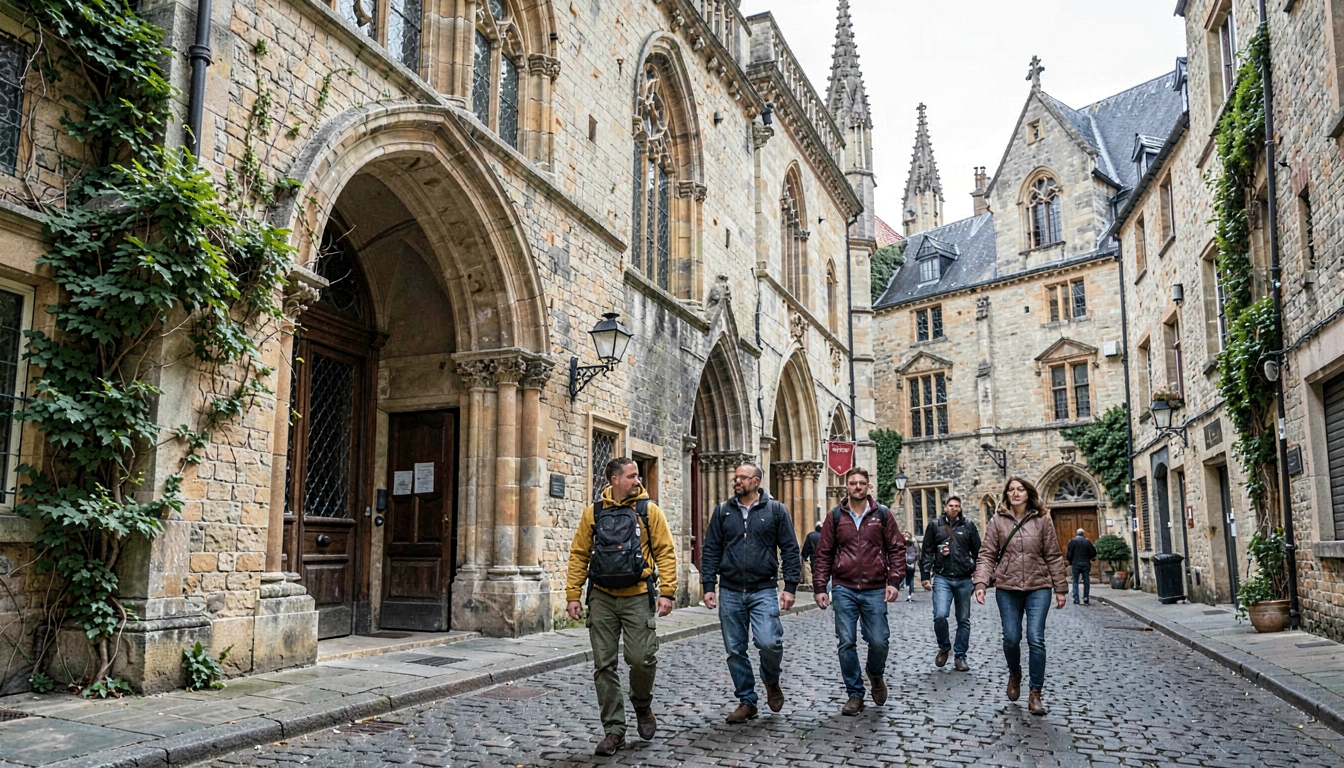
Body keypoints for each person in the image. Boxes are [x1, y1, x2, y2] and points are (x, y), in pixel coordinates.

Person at [565, 458, 678, 756]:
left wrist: (667, 591)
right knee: (604, 665)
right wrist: (573, 595)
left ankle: (642, 704)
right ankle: (614, 731)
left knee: (641, 659)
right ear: (614, 480)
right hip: (601, 597)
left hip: (638, 595)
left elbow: (665, 551)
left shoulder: (648, 511)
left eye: (637, 475)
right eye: (631, 476)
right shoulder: (593, 513)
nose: (637, 481)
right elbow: (579, 554)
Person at [701, 462, 801, 723]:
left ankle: (771, 679)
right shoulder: (722, 511)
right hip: (730, 590)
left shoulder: (776, 510)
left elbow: (790, 548)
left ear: (757, 481)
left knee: (769, 642)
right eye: (736, 477)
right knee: (735, 650)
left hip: (763, 588)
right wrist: (708, 585)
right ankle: (747, 701)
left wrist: (790, 587)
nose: (737, 481)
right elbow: (711, 548)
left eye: (743, 478)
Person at [812, 466, 905, 716]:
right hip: (844, 587)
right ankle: (855, 694)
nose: (857, 487)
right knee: (846, 642)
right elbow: (823, 553)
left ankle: (875, 673)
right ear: (847, 486)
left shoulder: (882, 514)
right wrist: (820, 587)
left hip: (875, 588)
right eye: (853, 483)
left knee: (879, 641)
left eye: (861, 483)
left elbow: (896, 548)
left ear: (868, 486)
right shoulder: (835, 516)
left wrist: (894, 581)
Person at [973, 477, 1068, 717]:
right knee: (1011, 638)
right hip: (1007, 586)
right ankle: (1015, 673)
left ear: (1028, 493)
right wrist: (981, 583)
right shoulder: (997, 521)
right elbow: (987, 554)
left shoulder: (1043, 520)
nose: (1015, 493)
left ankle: (1035, 693)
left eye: (1020, 489)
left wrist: (1060, 588)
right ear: (1006, 494)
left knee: (1036, 638)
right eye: (1011, 490)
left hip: (1039, 586)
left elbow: (1053, 555)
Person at [919, 495, 982, 672]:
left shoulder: (968, 525)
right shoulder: (935, 526)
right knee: (940, 615)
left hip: (964, 578)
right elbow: (927, 551)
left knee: (963, 619)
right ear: (945, 507)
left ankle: (960, 656)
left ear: (960, 508)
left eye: (957, 506)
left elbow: (979, 551)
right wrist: (925, 575)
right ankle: (944, 647)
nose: (954, 508)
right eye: (951, 505)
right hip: (942, 576)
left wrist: (975, 570)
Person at [1066, 529, 1097, 605]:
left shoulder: (1072, 542)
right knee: (1086, 581)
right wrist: (1089, 558)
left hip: (1075, 564)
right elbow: (1093, 553)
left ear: (1077, 534)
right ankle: (1086, 598)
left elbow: (1068, 555)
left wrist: (1071, 562)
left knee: (1075, 581)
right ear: (1083, 534)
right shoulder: (1087, 542)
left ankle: (1076, 599)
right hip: (1086, 564)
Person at [801, 522, 822, 586]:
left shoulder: (810, 536)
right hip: (826, 559)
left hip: (814, 559)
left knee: (816, 577)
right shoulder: (827, 534)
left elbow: (806, 549)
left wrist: (804, 557)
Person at [903, 532, 918, 601]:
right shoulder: (914, 541)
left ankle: (909, 593)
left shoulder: (903, 542)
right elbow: (917, 552)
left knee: (907, 578)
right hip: (912, 562)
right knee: (911, 578)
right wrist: (916, 559)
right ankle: (910, 593)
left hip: (905, 561)